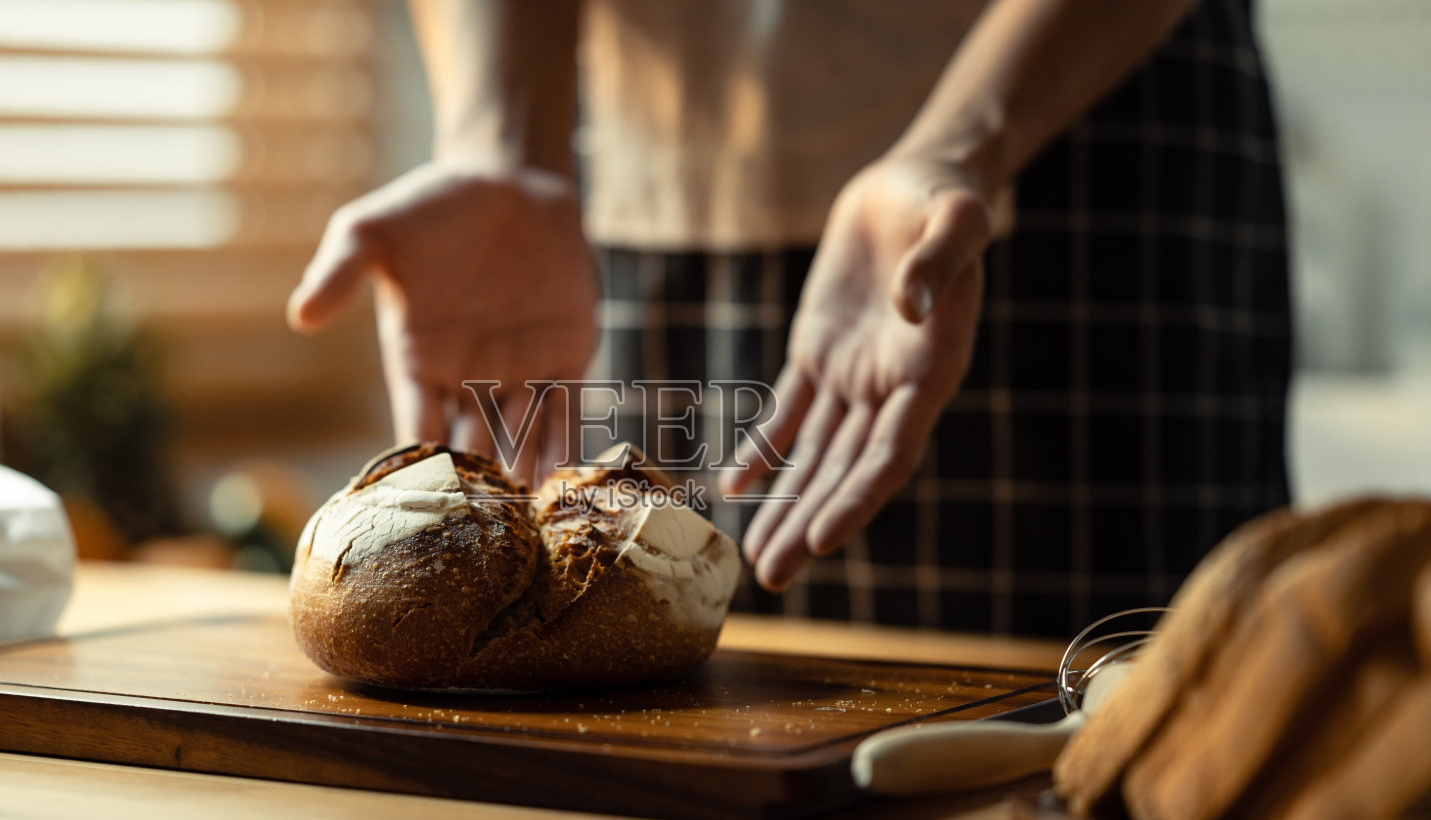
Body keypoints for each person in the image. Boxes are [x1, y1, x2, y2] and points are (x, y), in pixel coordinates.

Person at [288, 0, 1291, 638]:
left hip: (1059, 145)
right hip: (634, 176)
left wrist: (962, 144)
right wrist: (502, 140)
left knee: (1069, 714)